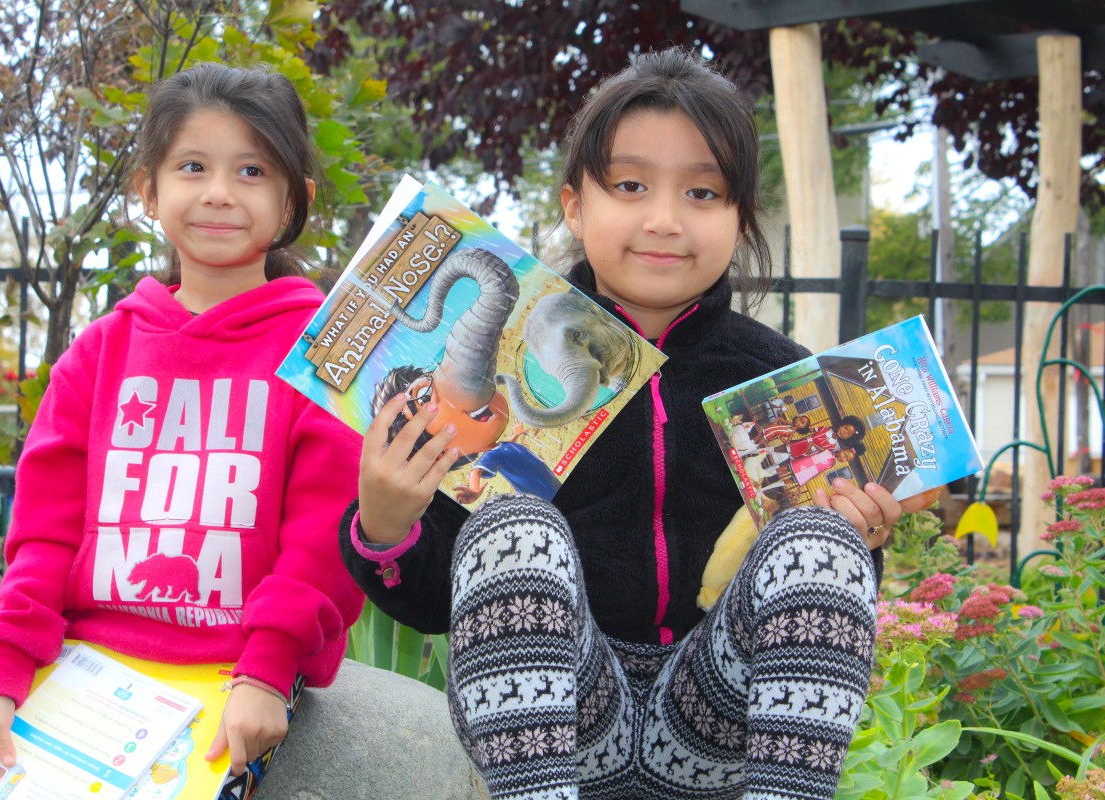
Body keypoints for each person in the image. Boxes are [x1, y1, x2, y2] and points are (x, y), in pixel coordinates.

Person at [342, 48, 933, 799]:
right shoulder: (505, 369)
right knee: (512, 526)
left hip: (711, 719)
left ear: (740, 220)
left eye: (703, 192)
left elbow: (804, 619)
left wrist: (857, 533)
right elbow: (434, 602)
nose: (664, 220)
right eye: (630, 185)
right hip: (558, 721)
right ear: (574, 206)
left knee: (821, 539)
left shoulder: (785, 382)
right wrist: (386, 525)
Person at [0, 63, 364, 799]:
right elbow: (44, 532)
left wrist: (267, 671)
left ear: (293, 200)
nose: (220, 192)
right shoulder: (99, 354)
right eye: (193, 166)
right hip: (84, 670)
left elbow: (323, 534)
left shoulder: (320, 356)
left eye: (251, 170)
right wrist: (4, 668)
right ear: (148, 190)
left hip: (234, 671)